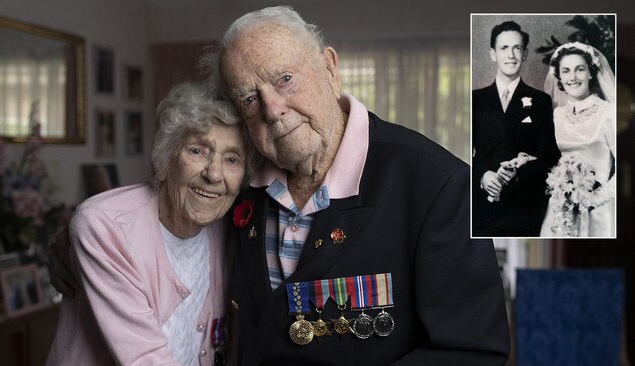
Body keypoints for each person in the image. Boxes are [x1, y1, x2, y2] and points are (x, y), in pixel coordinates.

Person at [50, 6, 510, 365]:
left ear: (330, 68)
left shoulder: (437, 184)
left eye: (285, 79)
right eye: (250, 98)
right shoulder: (238, 182)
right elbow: (169, 203)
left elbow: (473, 349)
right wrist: (72, 239)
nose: (272, 109)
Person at [47, 82, 247, 365]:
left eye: (231, 159)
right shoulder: (106, 226)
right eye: (197, 151)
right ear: (165, 158)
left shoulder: (230, 230)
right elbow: (145, 358)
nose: (214, 174)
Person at [472, 20, 561, 237]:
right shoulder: (475, 99)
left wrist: (519, 173)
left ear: (525, 54)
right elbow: (462, 152)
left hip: (524, 207)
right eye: (504, 48)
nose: (511, 55)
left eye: (517, 48)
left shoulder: (540, 101)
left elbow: (549, 156)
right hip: (481, 207)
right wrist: (482, 176)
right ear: (493, 54)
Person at [540, 42, 616, 237]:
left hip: (598, 207)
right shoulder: (556, 115)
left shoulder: (608, 113)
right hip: (559, 207)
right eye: (565, 71)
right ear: (559, 77)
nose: (572, 77)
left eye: (579, 69)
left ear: (591, 73)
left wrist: (592, 200)